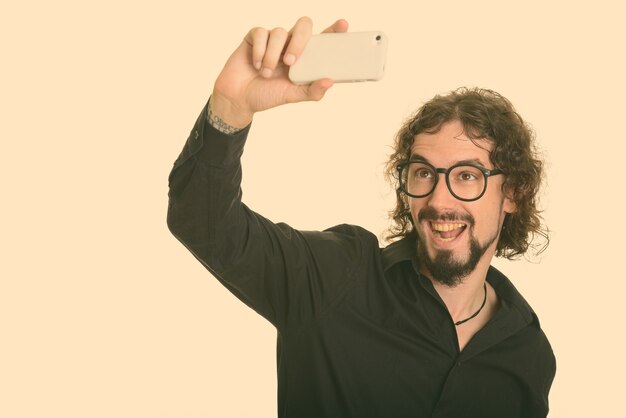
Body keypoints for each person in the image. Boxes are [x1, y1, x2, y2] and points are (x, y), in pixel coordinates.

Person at [167, 16, 556, 418]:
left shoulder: (528, 353)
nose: (440, 200)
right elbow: (203, 221)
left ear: (513, 192)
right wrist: (231, 107)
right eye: (423, 173)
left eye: (467, 176)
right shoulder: (333, 277)